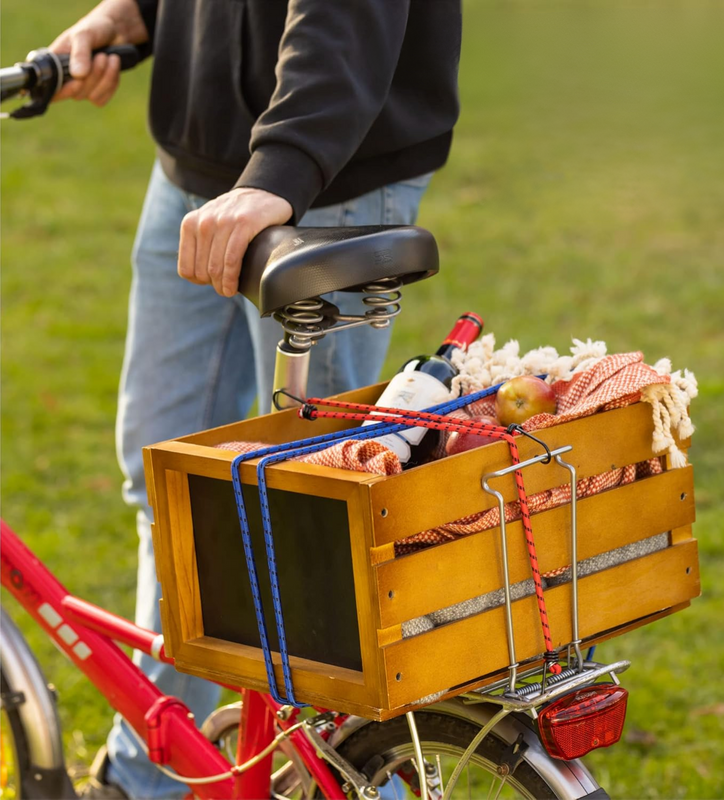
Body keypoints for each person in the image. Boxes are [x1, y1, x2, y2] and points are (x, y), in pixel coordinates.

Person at [49, 0, 461, 797]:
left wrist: (281, 172)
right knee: (166, 481)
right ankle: (156, 772)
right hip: (199, 174)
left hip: (322, 178)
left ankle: (369, 785)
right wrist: (133, 13)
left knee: (331, 525)